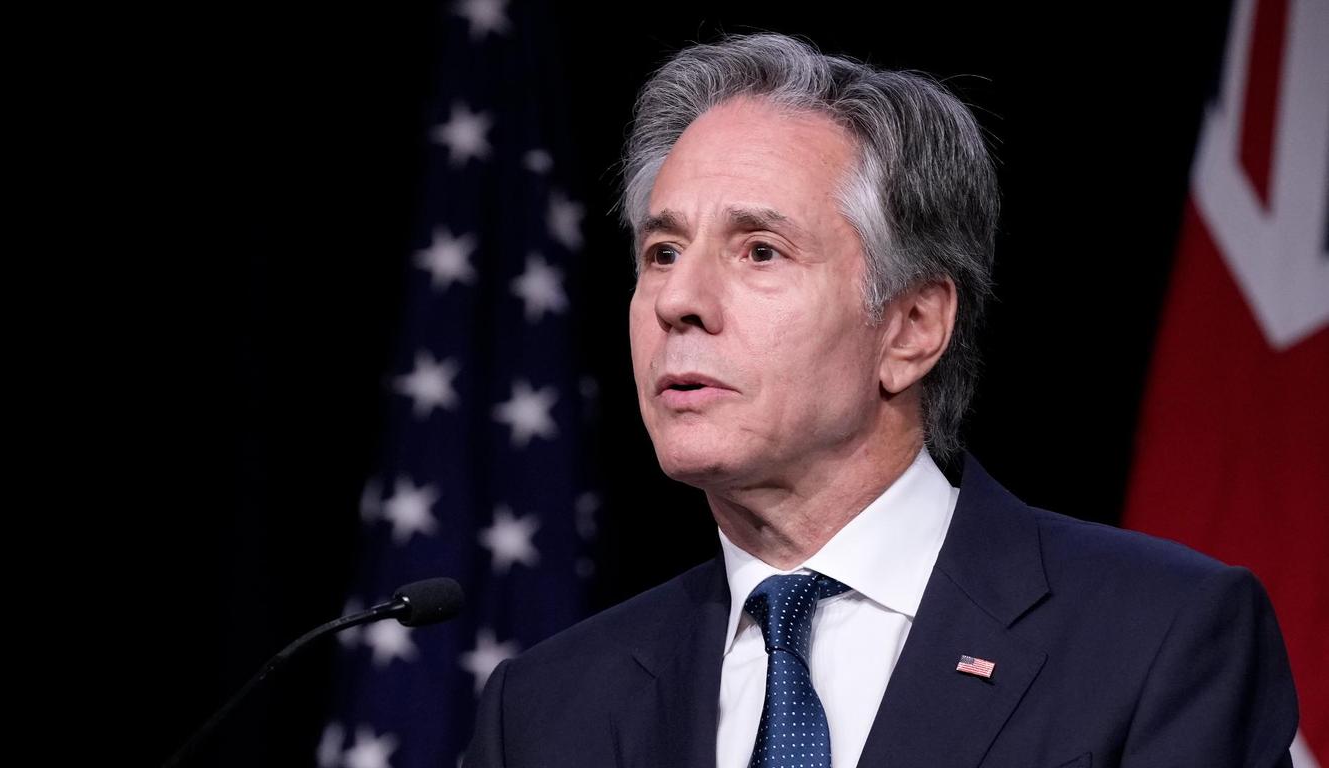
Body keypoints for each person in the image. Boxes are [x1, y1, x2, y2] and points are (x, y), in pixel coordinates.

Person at [466, 33, 1298, 767]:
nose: (678, 300)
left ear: (911, 328)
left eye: (760, 251)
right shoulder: (542, 710)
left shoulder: (1157, 637)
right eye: (662, 251)